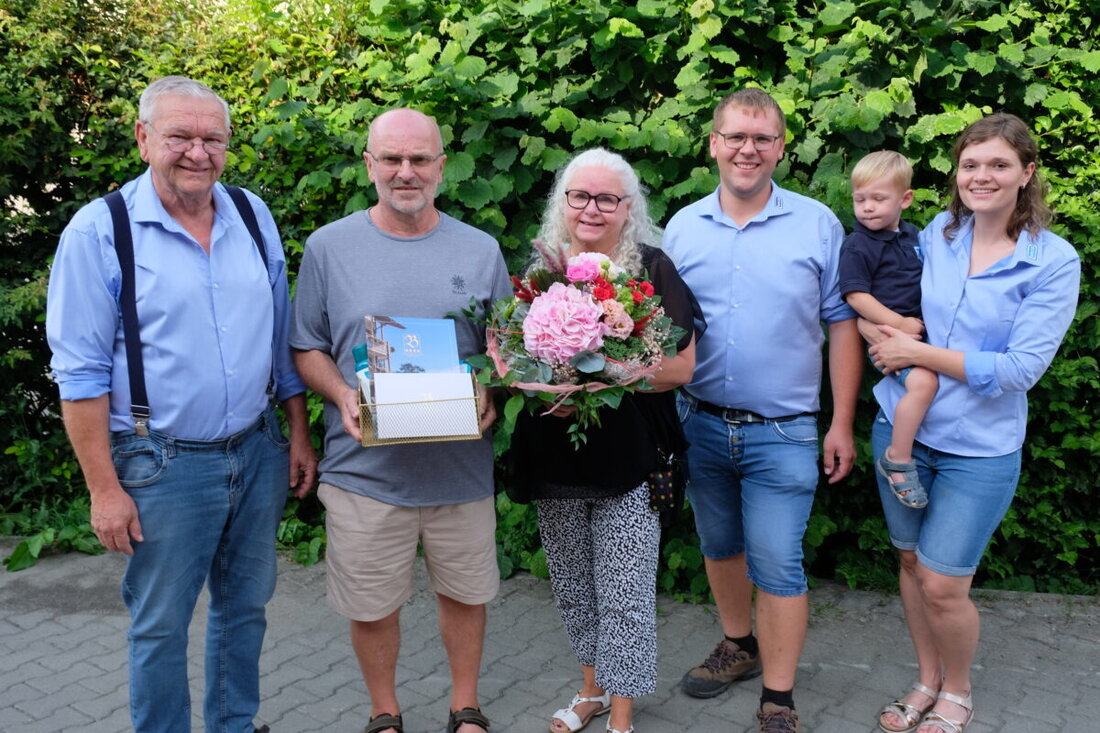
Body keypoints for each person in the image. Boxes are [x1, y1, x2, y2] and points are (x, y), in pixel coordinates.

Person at [45, 76, 316, 733]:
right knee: (161, 624)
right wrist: (103, 489)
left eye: (211, 138)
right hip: (158, 464)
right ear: (143, 139)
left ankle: (234, 723)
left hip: (256, 451)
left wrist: (298, 433)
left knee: (246, 607)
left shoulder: (252, 214)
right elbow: (78, 376)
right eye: (179, 137)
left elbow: (280, 340)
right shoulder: (100, 231)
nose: (197, 151)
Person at [290, 108, 511, 733]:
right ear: (370, 165)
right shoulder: (329, 247)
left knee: (467, 596)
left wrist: (491, 389)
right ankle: (384, 712)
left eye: (419, 159)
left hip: (459, 470)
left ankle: (464, 706)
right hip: (365, 472)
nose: (405, 171)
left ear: (442, 167)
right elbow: (305, 345)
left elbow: (503, 345)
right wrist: (339, 393)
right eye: (391, 158)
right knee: (371, 605)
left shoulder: (480, 248)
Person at [868, 113, 1079, 733]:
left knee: (942, 583)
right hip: (902, 428)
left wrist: (918, 355)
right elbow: (900, 302)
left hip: (978, 449)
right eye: (970, 164)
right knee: (909, 564)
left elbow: (1019, 370)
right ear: (956, 172)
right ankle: (926, 677)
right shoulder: (939, 232)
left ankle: (957, 690)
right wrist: (885, 331)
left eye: (998, 165)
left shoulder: (1052, 261)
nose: (981, 176)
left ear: (1027, 173)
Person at [663, 87, 864, 733]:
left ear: (780, 147)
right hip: (699, 420)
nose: (747, 148)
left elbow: (841, 325)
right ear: (714, 142)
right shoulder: (684, 226)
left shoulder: (816, 224)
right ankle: (739, 646)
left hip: (784, 430)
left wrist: (838, 422)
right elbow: (664, 330)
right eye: (735, 135)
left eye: (762, 138)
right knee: (720, 546)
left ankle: (778, 696)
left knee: (777, 558)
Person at [507, 148, 699, 733]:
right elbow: (514, 354)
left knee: (625, 592)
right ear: (562, 203)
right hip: (554, 454)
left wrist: (607, 373)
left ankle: (622, 716)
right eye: (580, 196)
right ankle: (590, 690)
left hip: (630, 459)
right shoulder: (541, 271)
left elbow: (683, 368)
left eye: (608, 199)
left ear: (628, 208)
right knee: (572, 583)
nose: (592, 209)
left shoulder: (653, 269)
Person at [839, 151, 938, 508]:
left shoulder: (913, 236)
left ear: (905, 199)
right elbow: (855, 295)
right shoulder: (858, 244)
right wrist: (897, 324)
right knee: (924, 383)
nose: (866, 208)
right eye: (859, 199)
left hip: (917, 335)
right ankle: (898, 459)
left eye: (878, 199)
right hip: (889, 337)